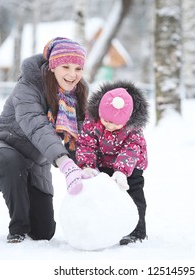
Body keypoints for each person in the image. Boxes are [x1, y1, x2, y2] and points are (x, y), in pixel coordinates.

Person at [0, 37, 88, 243]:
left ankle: (21, 188)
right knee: (12, 163)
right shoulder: (28, 86)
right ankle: (17, 229)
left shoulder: (76, 97)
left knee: (43, 232)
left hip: (35, 162)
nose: (73, 74)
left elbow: (78, 139)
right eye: (66, 66)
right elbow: (36, 125)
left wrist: (87, 167)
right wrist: (64, 163)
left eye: (78, 68)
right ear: (53, 66)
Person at [76, 80, 149, 245]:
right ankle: (105, 228)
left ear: (127, 120)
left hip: (131, 167)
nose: (109, 125)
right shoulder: (92, 121)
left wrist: (122, 171)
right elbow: (86, 144)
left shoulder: (133, 129)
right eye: (106, 120)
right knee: (104, 196)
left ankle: (137, 231)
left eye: (116, 123)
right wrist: (88, 166)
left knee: (133, 195)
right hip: (103, 163)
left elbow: (131, 150)